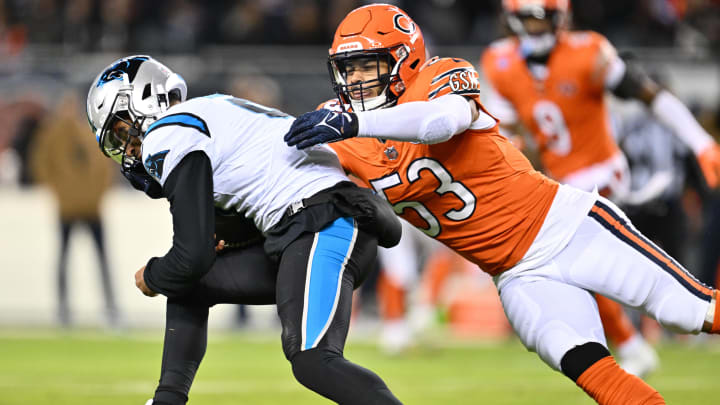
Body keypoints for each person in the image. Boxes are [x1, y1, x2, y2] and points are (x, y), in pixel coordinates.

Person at [284, 4, 720, 404]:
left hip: (566, 227)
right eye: (348, 68)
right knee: (594, 373)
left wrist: (355, 121)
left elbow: (441, 122)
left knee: (690, 312)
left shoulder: (440, 76)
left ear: (405, 60)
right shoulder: (340, 133)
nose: (356, 79)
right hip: (515, 276)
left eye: (368, 65)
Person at [86, 55, 404, 405]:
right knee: (192, 286)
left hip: (323, 222)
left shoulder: (168, 133)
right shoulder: (209, 112)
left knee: (314, 361)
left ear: (146, 99)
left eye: (121, 130)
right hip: (307, 225)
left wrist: (153, 275)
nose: (127, 148)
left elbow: (190, 256)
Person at [480, 0, 720, 378]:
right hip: (557, 179)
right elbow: (507, 128)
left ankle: (639, 337)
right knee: (572, 268)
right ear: (511, 20)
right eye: (527, 19)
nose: (535, 28)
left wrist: (701, 142)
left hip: (601, 170)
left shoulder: (589, 52)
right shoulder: (499, 61)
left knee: (582, 258)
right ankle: (632, 344)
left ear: (561, 20)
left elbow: (651, 94)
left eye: (543, 20)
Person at [30, 90, 118, 328]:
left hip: (91, 207)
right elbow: (42, 166)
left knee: (100, 259)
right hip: (68, 208)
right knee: (65, 258)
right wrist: (60, 193)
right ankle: (64, 309)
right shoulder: (53, 136)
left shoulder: (87, 135)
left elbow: (104, 168)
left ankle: (111, 309)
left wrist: (97, 195)